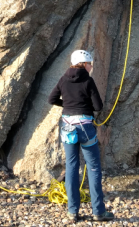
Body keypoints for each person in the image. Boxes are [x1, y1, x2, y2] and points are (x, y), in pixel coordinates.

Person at [48, 50, 114, 222]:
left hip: (68, 125)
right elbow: (98, 106)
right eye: (90, 64)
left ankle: (72, 212)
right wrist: (83, 107)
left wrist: (68, 105)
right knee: (93, 167)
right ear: (84, 64)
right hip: (85, 126)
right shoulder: (88, 80)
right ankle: (98, 212)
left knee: (71, 166)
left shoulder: (63, 78)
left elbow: (51, 99)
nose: (91, 67)